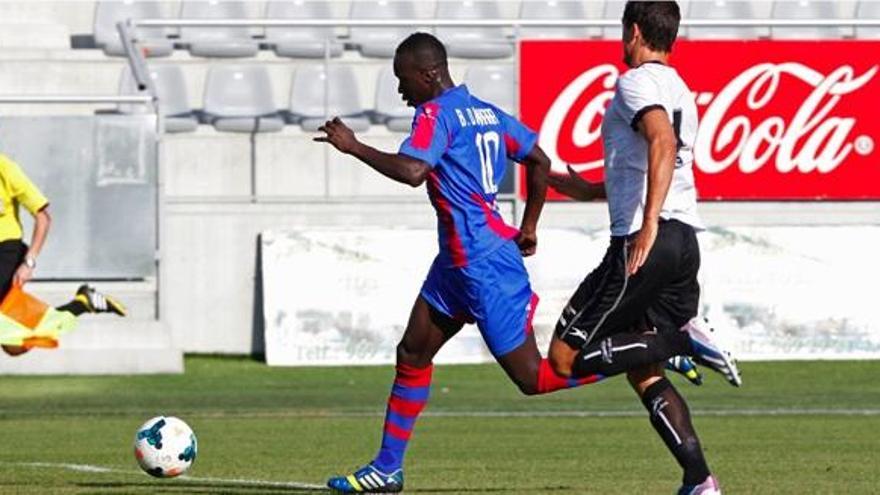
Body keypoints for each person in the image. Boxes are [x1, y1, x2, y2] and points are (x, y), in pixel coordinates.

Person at [315, 32, 701, 494]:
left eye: (404, 80)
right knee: (412, 353)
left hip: (484, 268)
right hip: (456, 266)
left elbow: (414, 171)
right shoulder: (485, 112)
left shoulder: (434, 114)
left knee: (537, 377)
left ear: (430, 73)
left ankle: (655, 346)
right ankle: (387, 468)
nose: (401, 92)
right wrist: (529, 225)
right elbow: (537, 159)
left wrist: (353, 145)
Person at [545, 2, 741, 494]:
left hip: (643, 241)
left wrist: (647, 224)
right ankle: (700, 482)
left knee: (566, 358)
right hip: (682, 240)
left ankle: (682, 341)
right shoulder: (681, 89)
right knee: (642, 370)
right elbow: (653, 163)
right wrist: (587, 189)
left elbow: (661, 143)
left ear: (633, 31)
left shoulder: (634, 82)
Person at [0, 154, 126, 357]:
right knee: (13, 345)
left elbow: (43, 218)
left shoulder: (5, 168)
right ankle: (83, 303)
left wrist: (29, 262)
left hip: (7, 251)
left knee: (11, 336)